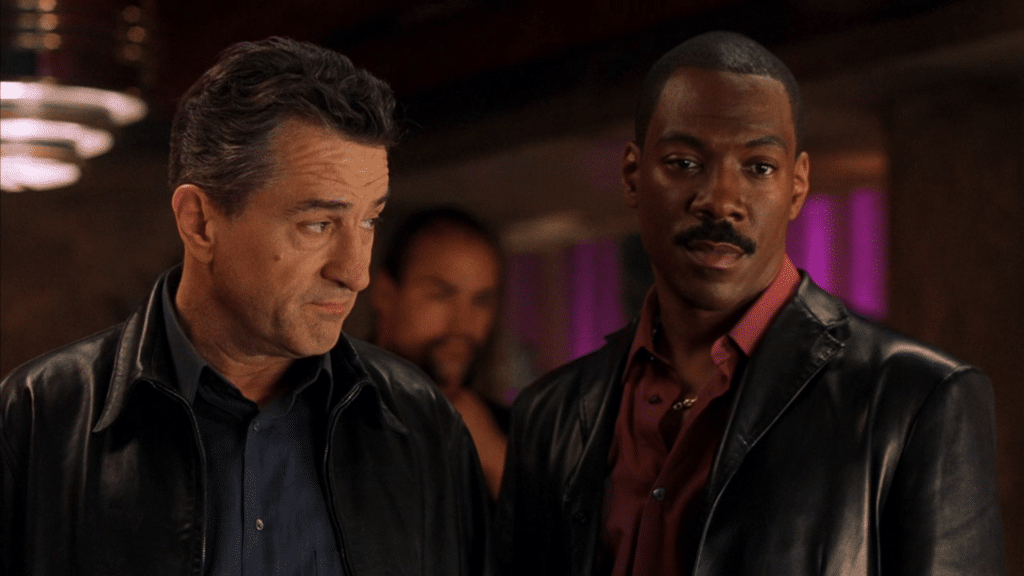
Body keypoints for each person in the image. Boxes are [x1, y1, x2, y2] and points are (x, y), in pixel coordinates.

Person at [496, 30, 1005, 575]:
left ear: (797, 185)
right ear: (632, 176)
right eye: (684, 162)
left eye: (758, 167)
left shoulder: (916, 399)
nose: (720, 201)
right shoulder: (548, 415)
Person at [1, 38, 492, 576]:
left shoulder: (423, 424)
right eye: (318, 224)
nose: (356, 273)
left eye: (368, 221)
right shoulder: (36, 418)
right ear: (199, 222)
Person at [371, 207, 509, 499]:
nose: (463, 325)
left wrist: (496, 462)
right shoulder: (319, 417)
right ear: (385, 293)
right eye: (441, 295)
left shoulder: (510, 435)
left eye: (481, 300)